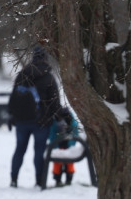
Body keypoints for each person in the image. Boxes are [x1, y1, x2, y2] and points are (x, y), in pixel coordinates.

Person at [8, 46, 61, 189]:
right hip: (41, 121)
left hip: (21, 120)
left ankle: (14, 179)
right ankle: (39, 181)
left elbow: (14, 96)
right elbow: (55, 102)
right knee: (39, 151)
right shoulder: (48, 77)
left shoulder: (22, 74)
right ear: (45, 58)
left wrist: (12, 116)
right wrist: (56, 117)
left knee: (19, 149)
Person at [49, 106, 81, 187]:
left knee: (67, 163)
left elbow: (52, 135)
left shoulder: (68, 122)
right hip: (60, 145)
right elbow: (52, 135)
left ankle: (65, 179)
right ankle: (61, 179)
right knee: (60, 163)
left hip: (66, 145)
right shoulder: (71, 122)